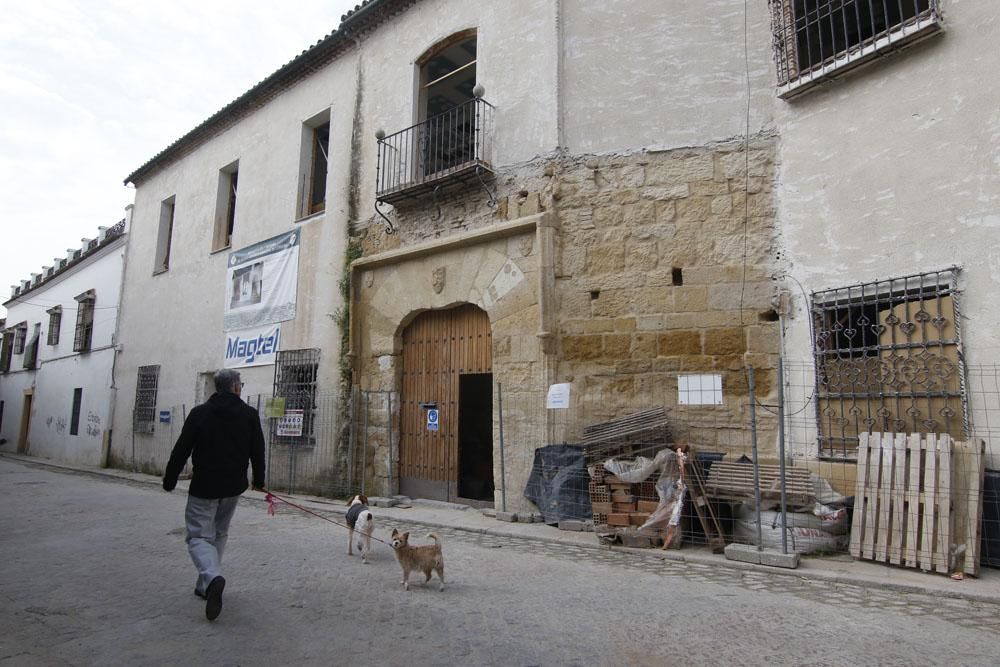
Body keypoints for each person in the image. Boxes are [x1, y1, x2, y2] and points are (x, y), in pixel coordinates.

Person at [162, 368, 266, 621]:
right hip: (233, 487)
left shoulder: (200, 413)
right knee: (219, 533)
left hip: (205, 486)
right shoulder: (249, 414)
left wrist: (170, 478)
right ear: (235, 387)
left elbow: (181, 448)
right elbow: (258, 451)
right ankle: (205, 584)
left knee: (198, 536)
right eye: (240, 384)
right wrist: (259, 481)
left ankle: (213, 577)